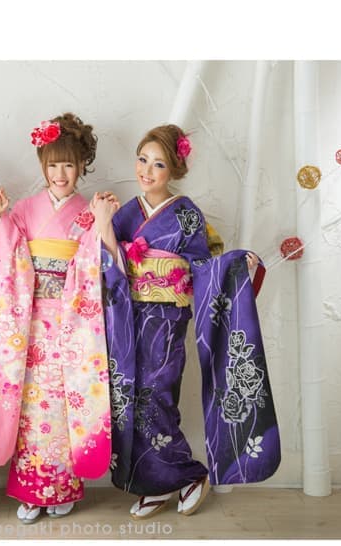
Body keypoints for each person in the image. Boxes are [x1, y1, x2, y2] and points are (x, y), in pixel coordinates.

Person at [90, 124, 281, 519]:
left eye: (158, 164)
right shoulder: (126, 212)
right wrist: (103, 223)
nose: (147, 171)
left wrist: (235, 265)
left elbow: (203, 268)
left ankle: (191, 475)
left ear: (173, 170)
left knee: (155, 396)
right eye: (142, 160)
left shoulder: (186, 214)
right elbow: (106, 263)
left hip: (165, 319)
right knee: (125, 397)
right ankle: (153, 484)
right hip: (125, 318)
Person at [0, 113, 111, 524]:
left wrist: (103, 224)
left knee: (67, 406)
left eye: (68, 164)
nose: (60, 174)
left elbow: (100, 265)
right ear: (42, 166)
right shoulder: (26, 209)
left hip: (71, 324)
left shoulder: (88, 212)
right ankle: (31, 492)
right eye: (52, 165)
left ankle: (63, 487)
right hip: (28, 324)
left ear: (81, 165)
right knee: (30, 407)